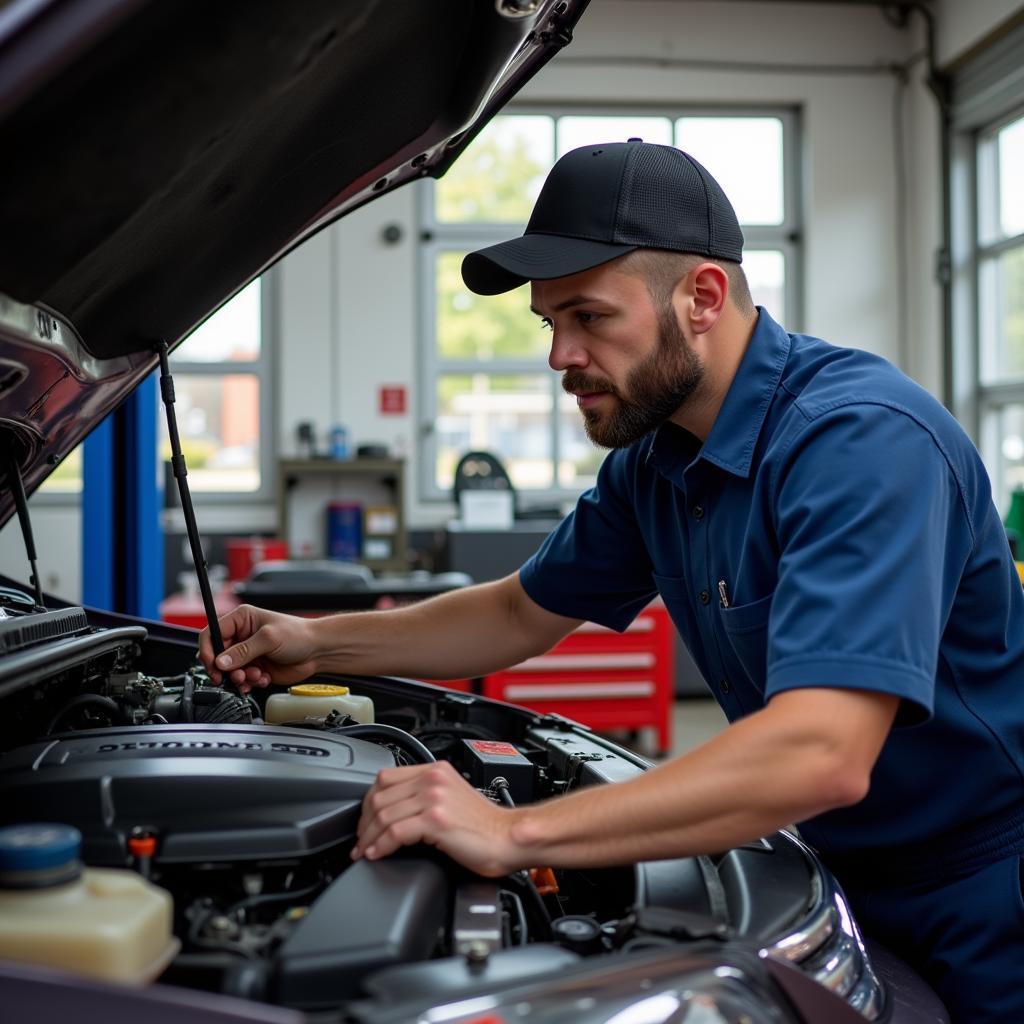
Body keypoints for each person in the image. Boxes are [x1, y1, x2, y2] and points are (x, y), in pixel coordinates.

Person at [200, 140, 1024, 1021]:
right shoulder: (659, 458)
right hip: (833, 872)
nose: (560, 354)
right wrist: (316, 640)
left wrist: (511, 830)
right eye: (548, 321)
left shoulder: (862, 441)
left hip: (982, 894)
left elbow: (821, 752)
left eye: (589, 316)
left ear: (702, 298)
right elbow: (520, 610)